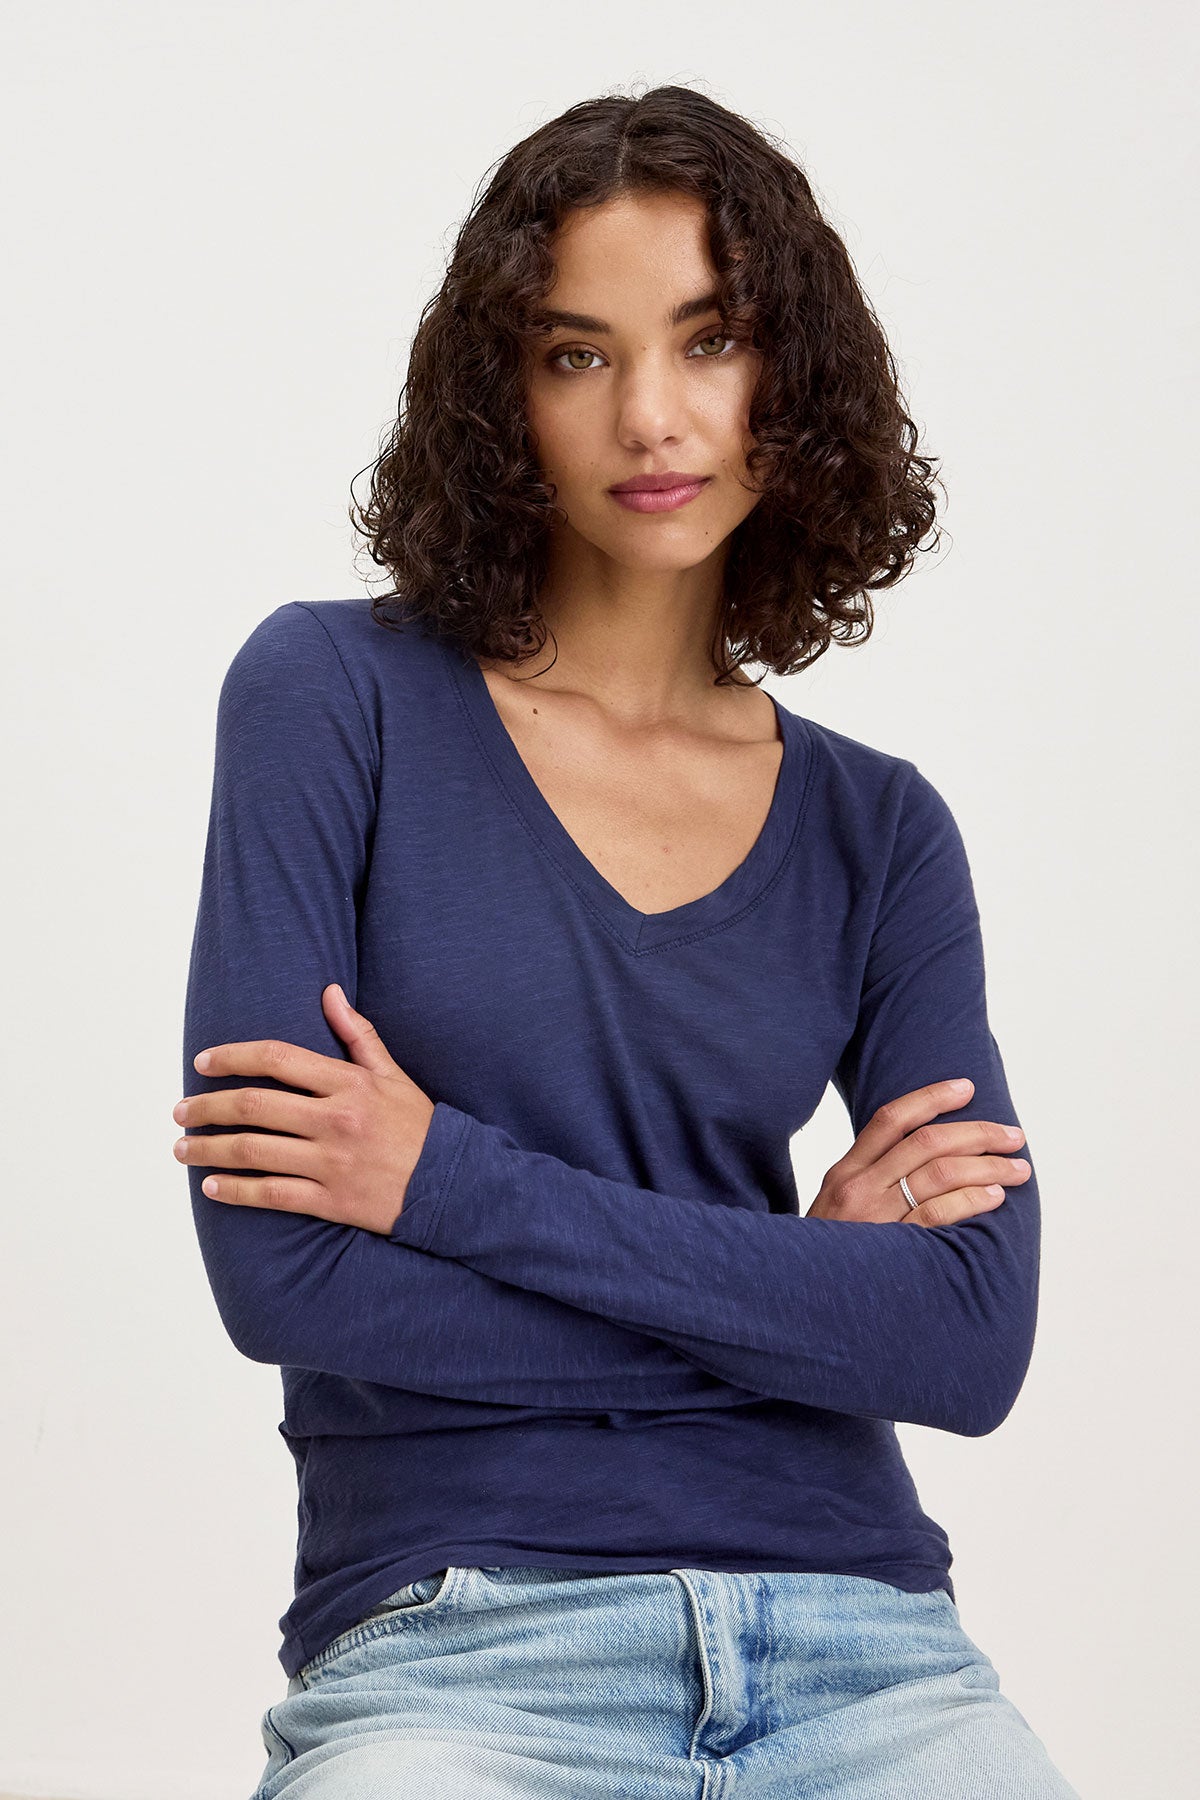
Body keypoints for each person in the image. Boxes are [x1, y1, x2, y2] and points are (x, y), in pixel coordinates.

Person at [177, 84, 1081, 1800]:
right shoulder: (331, 701)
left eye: (710, 340)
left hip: (865, 1644)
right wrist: (804, 1303)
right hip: (461, 1644)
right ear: (502, 397)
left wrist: (441, 1183)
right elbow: (280, 1276)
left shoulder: (880, 832)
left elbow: (964, 1344)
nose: (654, 417)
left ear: (788, 378)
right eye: (579, 354)